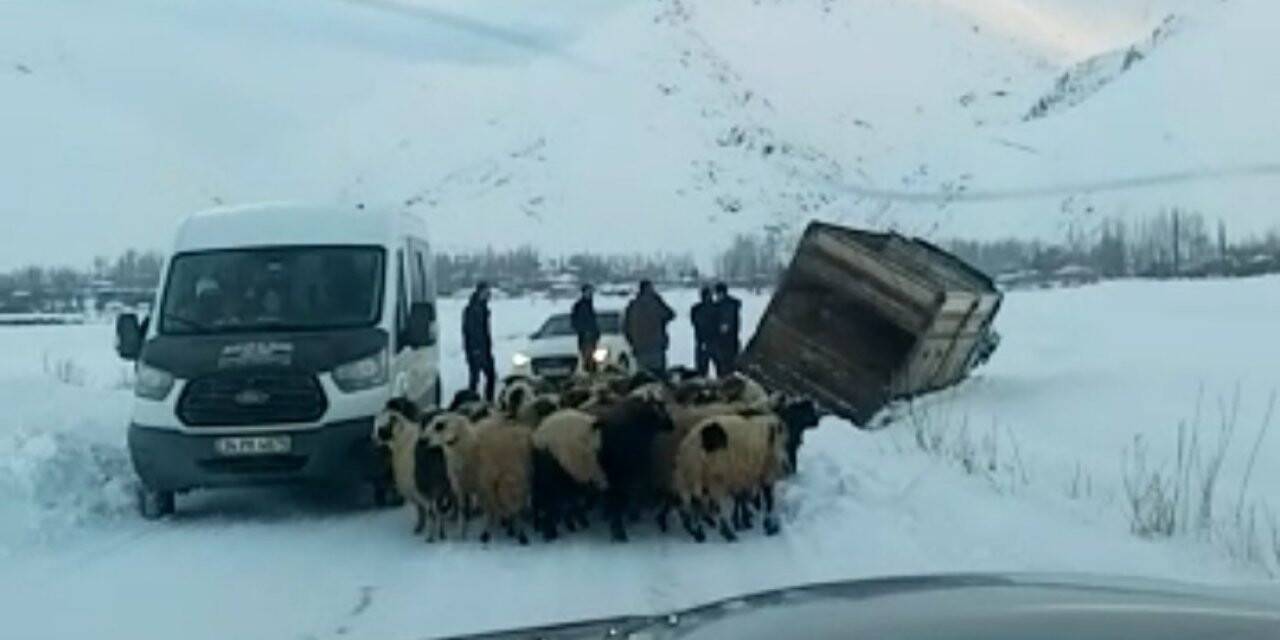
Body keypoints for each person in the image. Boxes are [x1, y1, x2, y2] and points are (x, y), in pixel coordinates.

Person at [623, 279, 676, 374]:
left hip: (640, 349)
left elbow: (626, 328)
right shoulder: (656, 303)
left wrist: (633, 343)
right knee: (659, 379)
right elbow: (670, 314)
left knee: (643, 378)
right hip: (656, 347)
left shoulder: (632, 306)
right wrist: (659, 300)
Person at [462, 282, 495, 402]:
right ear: (480, 292)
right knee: (476, 378)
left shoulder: (482, 307)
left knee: (488, 376)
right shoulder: (472, 309)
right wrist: (475, 350)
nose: (489, 295)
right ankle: (474, 401)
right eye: (486, 292)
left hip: (484, 348)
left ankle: (487, 400)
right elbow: (470, 331)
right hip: (476, 349)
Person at [711, 282, 742, 375]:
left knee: (725, 368)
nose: (716, 296)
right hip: (732, 340)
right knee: (729, 368)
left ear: (721, 293)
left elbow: (724, 326)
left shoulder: (726, 306)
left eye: (717, 293)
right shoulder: (731, 304)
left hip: (725, 342)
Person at [571, 284, 601, 373]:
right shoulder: (580, 306)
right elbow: (576, 321)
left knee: (593, 359)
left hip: (592, 336)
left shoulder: (590, 305)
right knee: (588, 358)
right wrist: (584, 331)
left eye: (591, 292)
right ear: (583, 293)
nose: (589, 293)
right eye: (587, 292)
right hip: (585, 336)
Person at [690, 286, 717, 377]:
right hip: (716, 342)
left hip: (701, 342)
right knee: (721, 371)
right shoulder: (717, 307)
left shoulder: (696, 309)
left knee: (701, 372)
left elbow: (694, 323)